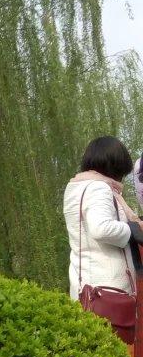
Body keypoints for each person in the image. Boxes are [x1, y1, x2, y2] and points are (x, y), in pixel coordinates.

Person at [63, 137, 143, 334]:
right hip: (107, 290)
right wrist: (132, 229)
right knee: (113, 346)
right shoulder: (99, 188)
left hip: (87, 286)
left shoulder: (76, 188)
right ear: (114, 165)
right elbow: (101, 228)